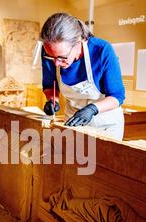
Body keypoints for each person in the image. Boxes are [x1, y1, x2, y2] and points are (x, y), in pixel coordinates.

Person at [40, 12, 126, 140]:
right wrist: (53, 100)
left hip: (105, 123)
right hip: (73, 120)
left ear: (78, 42)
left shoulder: (102, 50)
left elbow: (117, 96)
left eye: (62, 57)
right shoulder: (50, 52)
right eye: (51, 57)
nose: (56, 63)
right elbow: (49, 85)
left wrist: (92, 109)